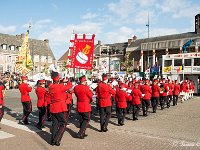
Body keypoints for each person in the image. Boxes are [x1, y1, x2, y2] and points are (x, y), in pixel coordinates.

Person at [49, 71, 72, 146]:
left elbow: (58, 87)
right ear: (58, 78)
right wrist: (68, 81)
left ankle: (52, 140)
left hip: (53, 107)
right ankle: (57, 139)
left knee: (55, 124)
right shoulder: (60, 86)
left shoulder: (51, 86)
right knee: (63, 124)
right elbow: (70, 85)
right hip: (61, 107)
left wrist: (61, 81)